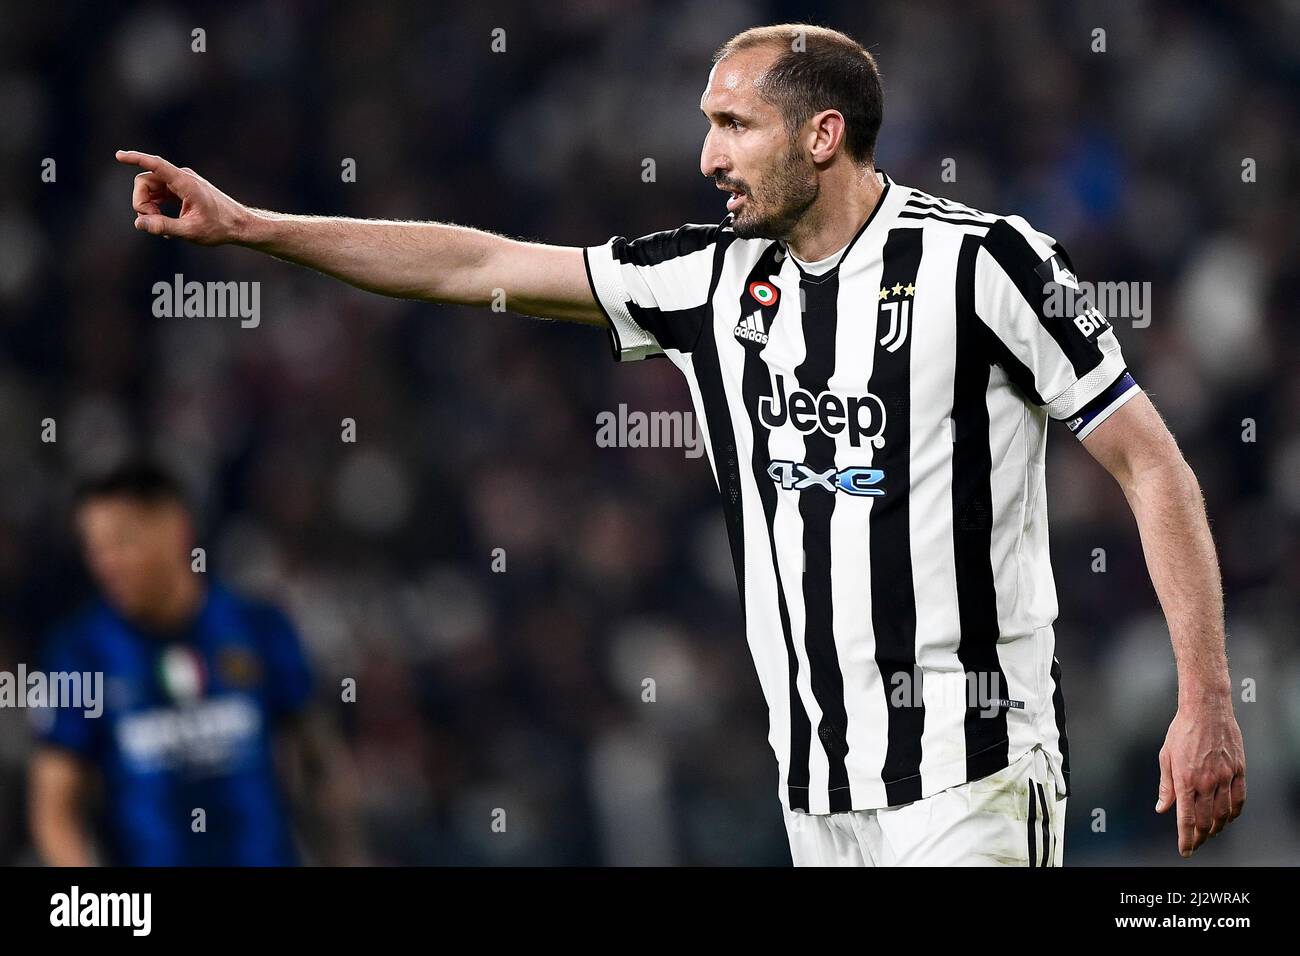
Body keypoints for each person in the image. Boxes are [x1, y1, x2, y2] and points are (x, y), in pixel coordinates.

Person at [113, 22, 1245, 865]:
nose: (704, 155)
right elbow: (478, 265)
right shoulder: (709, 279)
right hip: (814, 795)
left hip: (972, 779)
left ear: (822, 133)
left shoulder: (986, 266)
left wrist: (1205, 698)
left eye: (730, 125)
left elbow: (1154, 465)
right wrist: (256, 227)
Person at [29, 462, 359, 866]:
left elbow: (319, 764)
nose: (106, 563)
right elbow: (55, 809)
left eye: (121, 542)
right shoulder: (79, 655)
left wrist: (344, 856)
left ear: (175, 529)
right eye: (95, 549)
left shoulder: (258, 627)